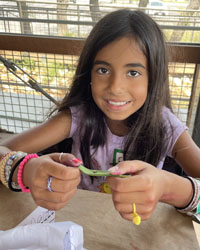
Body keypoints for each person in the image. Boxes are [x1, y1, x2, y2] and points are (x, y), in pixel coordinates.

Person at [1, 9, 200, 223]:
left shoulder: (166, 127)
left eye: (133, 73)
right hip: (79, 225)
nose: (115, 87)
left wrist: (169, 187)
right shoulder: (78, 117)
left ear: (153, 79)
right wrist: (25, 169)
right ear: (89, 74)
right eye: (103, 70)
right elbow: (4, 149)